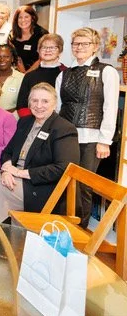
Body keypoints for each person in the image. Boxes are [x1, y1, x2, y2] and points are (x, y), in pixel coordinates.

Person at [0, 83, 79, 223]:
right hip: (16, 173)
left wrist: (19, 173)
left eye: (45, 101)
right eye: (34, 100)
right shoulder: (25, 122)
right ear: (29, 103)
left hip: (40, 186)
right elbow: (7, 151)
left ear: (54, 104)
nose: (39, 105)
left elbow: (63, 169)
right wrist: (6, 170)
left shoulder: (64, 128)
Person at [55, 27, 119, 227]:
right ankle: (62, 225)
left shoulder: (107, 72)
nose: (80, 47)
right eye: (76, 43)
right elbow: (58, 108)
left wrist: (105, 140)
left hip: (91, 139)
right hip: (66, 137)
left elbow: (110, 108)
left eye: (85, 43)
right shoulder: (63, 75)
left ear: (95, 46)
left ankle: (79, 230)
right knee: (64, 182)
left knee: (84, 186)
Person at [17, 34, 66, 118]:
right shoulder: (29, 76)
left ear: (60, 51)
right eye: (44, 47)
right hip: (33, 120)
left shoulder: (67, 74)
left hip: (59, 120)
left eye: (52, 47)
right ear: (38, 51)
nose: (48, 50)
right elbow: (21, 105)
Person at [10, 5, 48, 71]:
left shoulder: (42, 34)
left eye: (26, 17)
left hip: (38, 72)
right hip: (18, 72)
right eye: (20, 17)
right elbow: (14, 57)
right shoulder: (12, 35)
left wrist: (26, 74)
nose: (23, 20)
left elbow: (43, 58)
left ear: (32, 18)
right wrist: (21, 72)